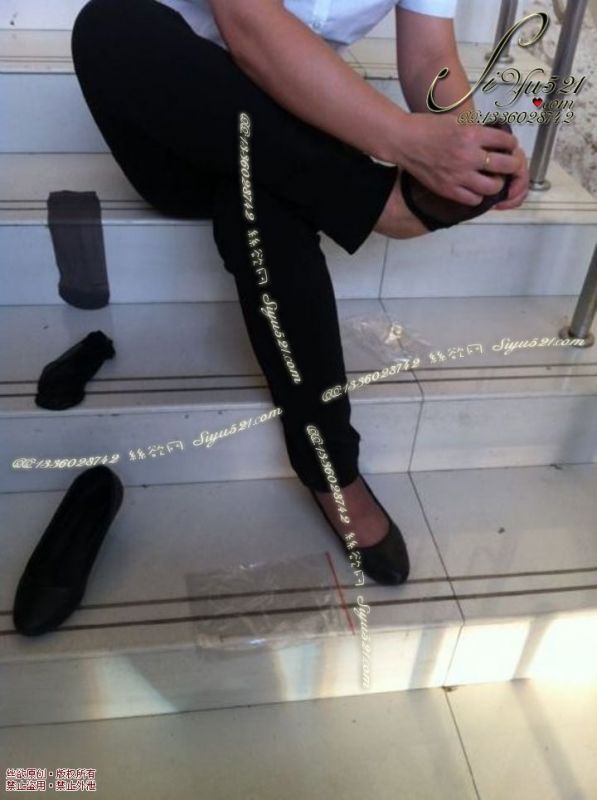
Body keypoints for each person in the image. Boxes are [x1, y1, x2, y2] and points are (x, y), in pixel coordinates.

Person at [70, 0, 529, 586]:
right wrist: (406, 143)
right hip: (174, 105)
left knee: (264, 200)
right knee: (111, 22)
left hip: (287, 130)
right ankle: (373, 201)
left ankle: (330, 469)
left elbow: (430, 58)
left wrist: (470, 150)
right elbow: (247, 24)